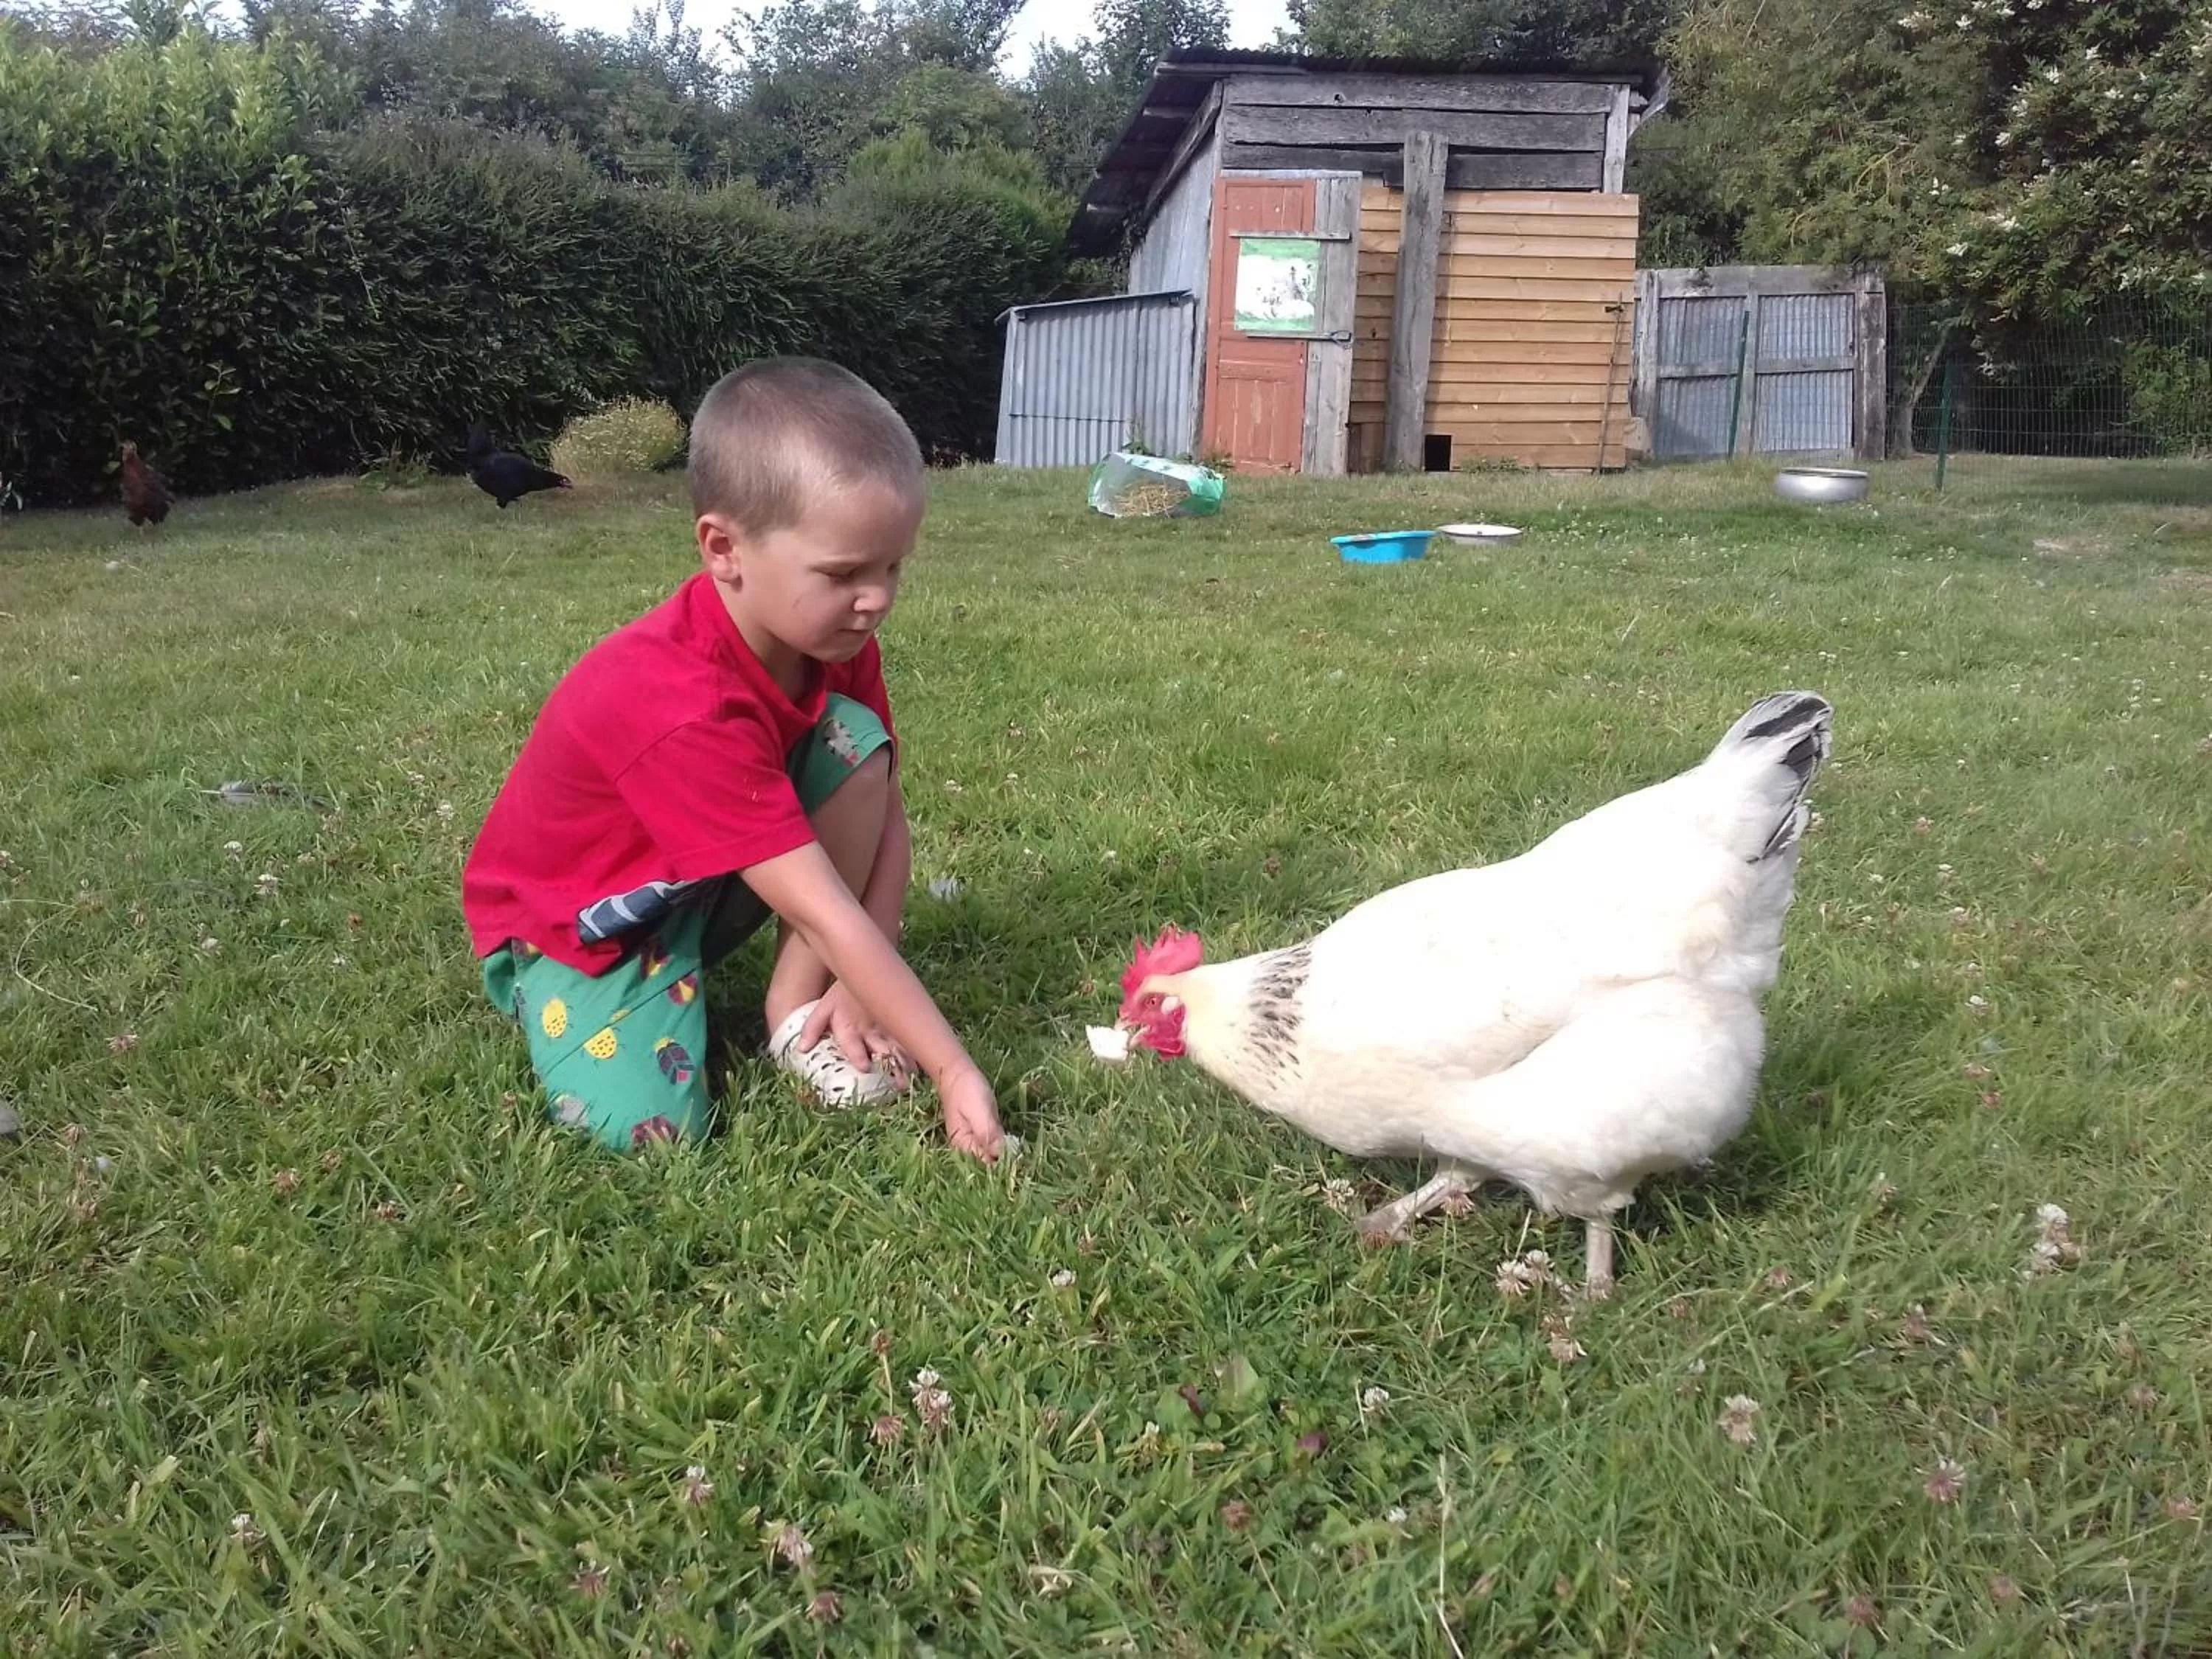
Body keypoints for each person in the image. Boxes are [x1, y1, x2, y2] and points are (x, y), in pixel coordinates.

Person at [461, 358, 1004, 1160]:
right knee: (653, 1136)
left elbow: (883, 808)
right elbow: (822, 906)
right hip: (588, 925)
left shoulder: (832, 636)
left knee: (854, 742)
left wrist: (864, 983)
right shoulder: (680, 703)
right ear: (724, 548)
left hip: (711, 871)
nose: (879, 598)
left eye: (894, 566)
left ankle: (793, 1012)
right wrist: (953, 1068)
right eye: (845, 573)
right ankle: (561, 997)